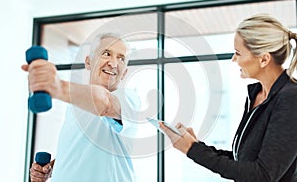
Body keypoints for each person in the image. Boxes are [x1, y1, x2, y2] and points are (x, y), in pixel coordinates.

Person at [160, 14, 297, 181]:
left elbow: (262, 175)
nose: (234, 59)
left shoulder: (290, 99)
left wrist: (192, 149)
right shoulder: (257, 95)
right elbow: (242, 159)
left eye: (238, 53)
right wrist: (196, 146)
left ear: (264, 59)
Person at [22, 33, 140, 182]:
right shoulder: (75, 102)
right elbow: (81, 149)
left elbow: (104, 104)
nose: (113, 63)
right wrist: (53, 168)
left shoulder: (129, 98)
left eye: (121, 58)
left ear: (125, 73)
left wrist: (58, 87)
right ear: (88, 62)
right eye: (106, 53)